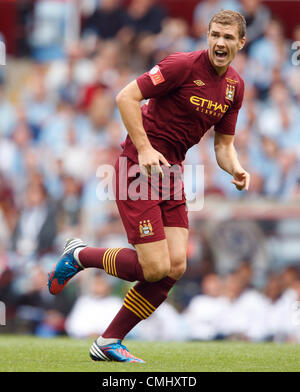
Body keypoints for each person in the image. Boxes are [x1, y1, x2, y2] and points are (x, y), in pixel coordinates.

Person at [48, 9, 250, 363]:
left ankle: (109, 340)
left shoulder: (235, 87)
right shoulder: (182, 65)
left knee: (175, 266)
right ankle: (80, 255)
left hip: (172, 174)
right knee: (154, 268)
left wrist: (236, 169)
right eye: (215, 34)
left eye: (228, 37)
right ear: (207, 36)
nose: (220, 42)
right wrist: (143, 148)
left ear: (240, 43)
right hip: (136, 168)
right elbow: (126, 97)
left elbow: (223, 145)